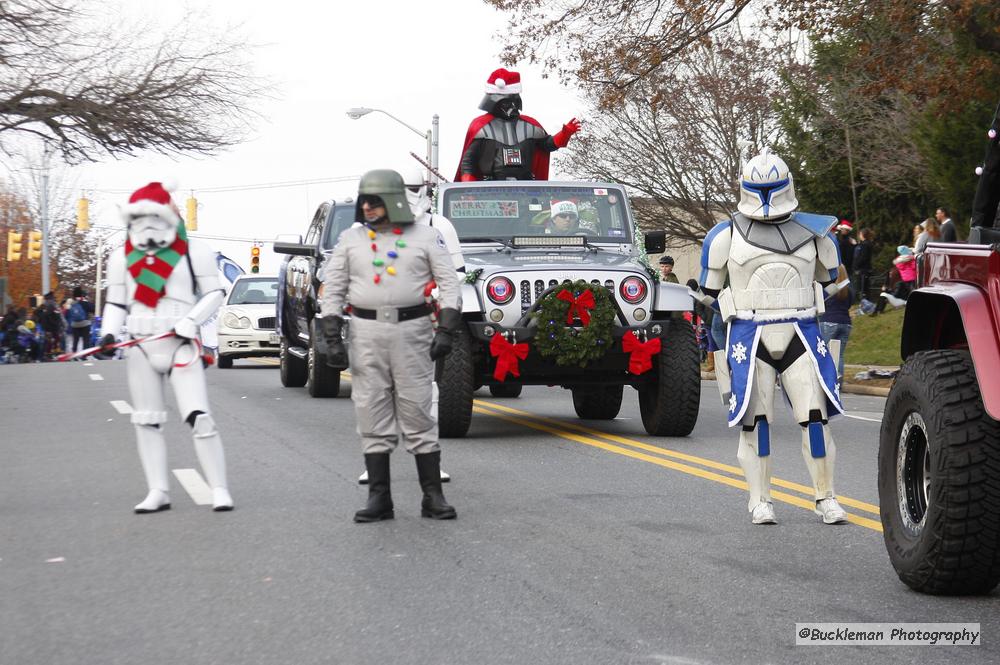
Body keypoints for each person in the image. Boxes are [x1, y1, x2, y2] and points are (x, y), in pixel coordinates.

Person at [699, 149, 847, 526]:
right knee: (757, 424)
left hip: (801, 329)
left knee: (815, 419)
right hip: (750, 335)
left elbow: (837, 281)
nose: (765, 197)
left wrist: (819, 297)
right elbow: (708, 294)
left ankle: (826, 496)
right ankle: (759, 500)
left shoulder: (816, 233)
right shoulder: (725, 235)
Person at [319, 169, 461, 523]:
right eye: (364, 200)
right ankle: (379, 497)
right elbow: (333, 288)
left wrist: (446, 328)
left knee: (417, 407)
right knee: (370, 407)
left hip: (412, 329)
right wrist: (331, 334)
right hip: (365, 331)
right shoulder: (350, 240)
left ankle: (432, 495)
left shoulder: (427, 237)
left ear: (394, 201)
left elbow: (450, 283)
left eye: (375, 200)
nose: (366, 207)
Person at [95, 181, 233, 513]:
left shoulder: (193, 251)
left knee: (199, 416)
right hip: (141, 344)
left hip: (180, 343)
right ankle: (158, 489)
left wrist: (193, 320)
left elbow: (215, 293)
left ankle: (219, 488)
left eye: (151, 217)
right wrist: (108, 334)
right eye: (137, 219)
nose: (144, 226)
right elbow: (115, 303)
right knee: (146, 419)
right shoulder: (120, 258)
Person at [456, 68, 580, 181]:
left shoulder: (530, 125)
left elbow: (548, 144)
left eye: (513, 102)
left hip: (525, 186)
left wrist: (565, 134)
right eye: (505, 103)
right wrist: (469, 189)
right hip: (491, 187)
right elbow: (468, 162)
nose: (511, 107)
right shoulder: (481, 126)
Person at [819, 265, 853, 385]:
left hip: (829, 321)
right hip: (845, 323)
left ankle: (827, 380)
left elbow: (820, 304)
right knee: (840, 354)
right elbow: (849, 304)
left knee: (825, 352)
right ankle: (838, 381)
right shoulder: (848, 290)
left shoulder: (829, 289)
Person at [875, 245, 917, 313]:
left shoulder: (899, 262)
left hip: (905, 279)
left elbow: (899, 266)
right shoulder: (911, 260)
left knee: (909, 292)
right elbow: (914, 267)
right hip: (912, 278)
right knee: (913, 292)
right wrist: (913, 259)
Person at [66, 287, 95, 354]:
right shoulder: (85, 303)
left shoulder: (71, 304)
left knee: (75, 340)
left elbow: (68, 314)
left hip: (75, 324)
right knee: (86, 339)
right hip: (85, 324)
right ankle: (84, 355)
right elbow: (92, 309)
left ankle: (74, 353)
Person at [852, 228, 874, 302]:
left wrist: (856, 265)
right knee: (863, 288)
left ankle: (865, 304)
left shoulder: (865, 245)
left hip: (863, 269)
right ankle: (865, 303)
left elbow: (863, 257)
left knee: (863, 288)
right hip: (864, 269)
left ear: (863, 235)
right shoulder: (865, 244)